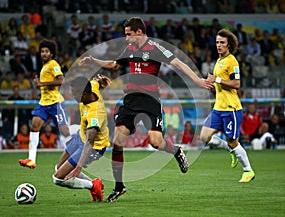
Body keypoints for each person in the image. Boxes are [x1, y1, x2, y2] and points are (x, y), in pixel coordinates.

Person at [79, 17, 213, 202]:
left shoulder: (155, 48)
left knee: (156, 142)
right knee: (117, 141)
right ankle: (119, 186)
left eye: (128, 34)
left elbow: (178, 63)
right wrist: (93, 60)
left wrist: (197, 80)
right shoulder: (130, 49)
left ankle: (176, 151)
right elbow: (115, 65)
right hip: (131, 100)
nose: (126, 38)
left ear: (139, 32)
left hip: (150, 101)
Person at [200, 28, 255, 183]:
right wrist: (212, 83)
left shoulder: (232, 62)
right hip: (218, 108)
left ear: (228, 45)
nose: (219, 45)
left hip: (231, 109)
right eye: (217, 42)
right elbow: (219, 82)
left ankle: (248, 170)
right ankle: (230, 149)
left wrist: (216, 80)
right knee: (204, 137)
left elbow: (236, 84)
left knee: (233, 141)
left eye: (222, 43)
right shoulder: (219, 61)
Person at [53, 75, 111, 202]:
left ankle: (92, 185)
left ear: (84, 94)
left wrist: (78, 167)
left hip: (93, 147)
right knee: (58, 168)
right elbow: (96, 82)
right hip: (80, 137)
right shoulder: (91, 88)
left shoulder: (95, 114)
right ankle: (95, 185)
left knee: (57, 178)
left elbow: (90, 142)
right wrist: (101, 81)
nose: (73, 97)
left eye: (75, 94)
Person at [19, 39, 70, 169]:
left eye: (47, 51)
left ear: (52, 54)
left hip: (56, 103)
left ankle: (72, 159)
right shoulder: (45, 66)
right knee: (34, 126)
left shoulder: (54, 64)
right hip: (43, 103)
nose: (44, 53)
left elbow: (61, 80)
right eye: (42, 51)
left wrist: (42, 84)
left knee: (64, 132)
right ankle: (31, 159)